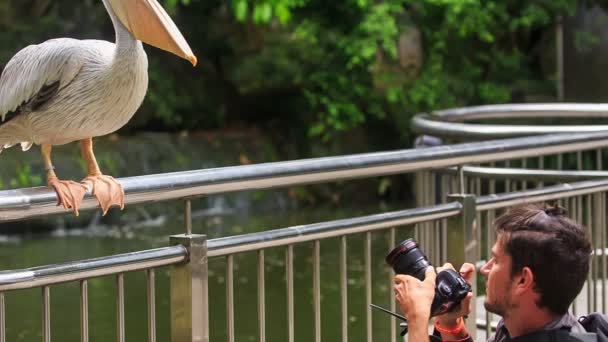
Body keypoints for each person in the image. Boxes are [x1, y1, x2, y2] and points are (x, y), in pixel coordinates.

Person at [394, 203, 592, 341]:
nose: (485, 268)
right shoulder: (527, 328)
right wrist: (450, 322)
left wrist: (417, 319)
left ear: (523, 280)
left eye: (496, 260)